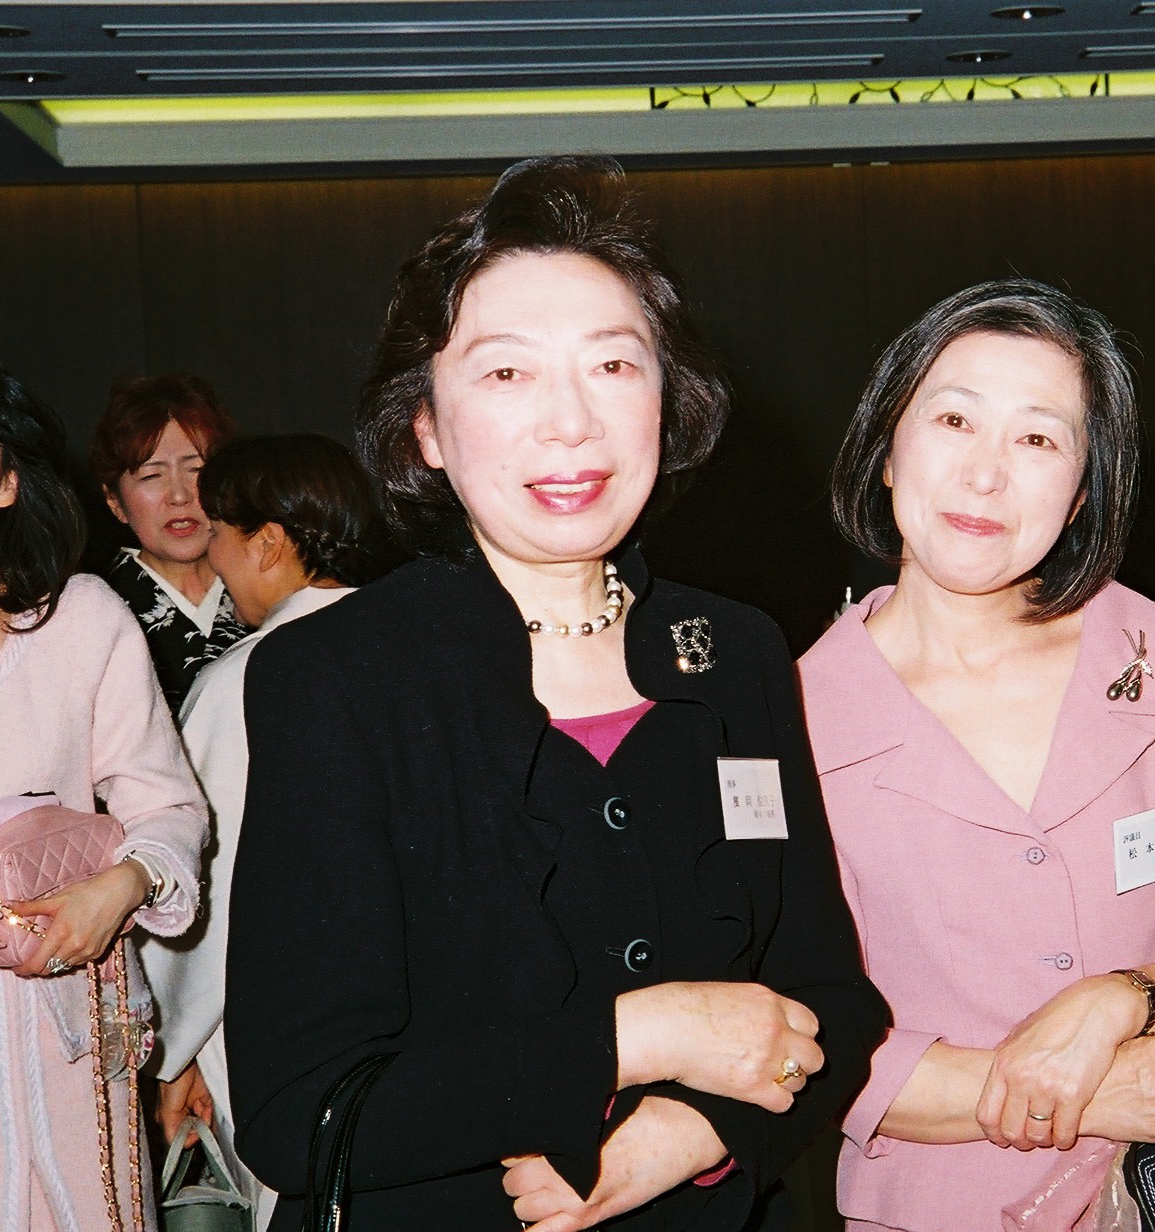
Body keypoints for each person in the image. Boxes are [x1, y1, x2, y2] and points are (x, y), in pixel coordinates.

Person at [224, 157, 887, 1232]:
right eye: (506, 373)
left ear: (666, 402)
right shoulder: (336, 675)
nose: (571, 421)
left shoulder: (736, 651)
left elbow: (833, 996)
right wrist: (638, 1037)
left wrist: (704, 1131)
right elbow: (299, 1111)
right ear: (425, 429)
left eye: (613, 365)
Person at [799, 281, 1155, 1232]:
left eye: (1038, 439)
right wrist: (1092, 1092)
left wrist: (1122, 1002)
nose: (985, 474)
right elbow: (812, 1044)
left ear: (1080, 493)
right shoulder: (791, 715)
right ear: (886, 451)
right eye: (954, 420)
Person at [0, 339, 206, 1231]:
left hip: (79, 1060)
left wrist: (121, 887)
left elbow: (170, 805)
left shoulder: (82, 623)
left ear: (6, 479)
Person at [140, 433, 397, 1224]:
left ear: (269, 542)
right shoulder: (421, 648)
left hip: (293, 1031)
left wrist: (172, 1050)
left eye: (219, 532)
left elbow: (202, 888)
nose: (212, 555)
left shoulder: (250, 676)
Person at [90, 373, 249, 712]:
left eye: (197, 470)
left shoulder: (265, 587)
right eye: (151, 475)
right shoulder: (90, 607)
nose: (178, 496)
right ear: (114, 502)